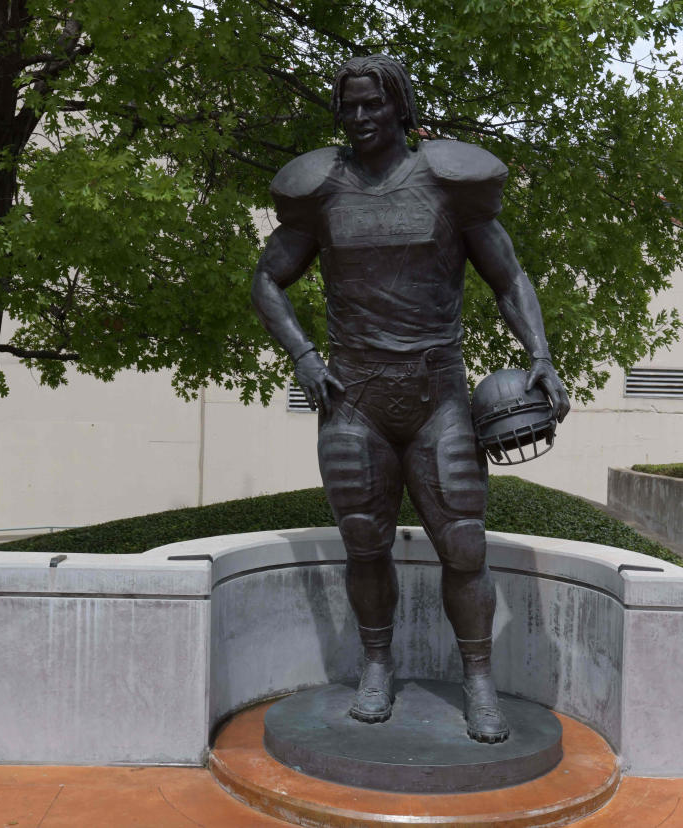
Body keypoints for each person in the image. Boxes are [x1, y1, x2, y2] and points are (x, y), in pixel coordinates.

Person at [250, 54, 569, 743]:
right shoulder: (321, 191)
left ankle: (478, 680)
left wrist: (539, 354)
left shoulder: (450, 185)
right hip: (354, 395)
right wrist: (303, 357)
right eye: (349, 106)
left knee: (462, 546)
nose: (360, 117)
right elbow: (267, 280)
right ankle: (375, 666)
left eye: (372, 104)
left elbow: (507, 275)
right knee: (363, 544)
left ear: (399, 106)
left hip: (435, 392)